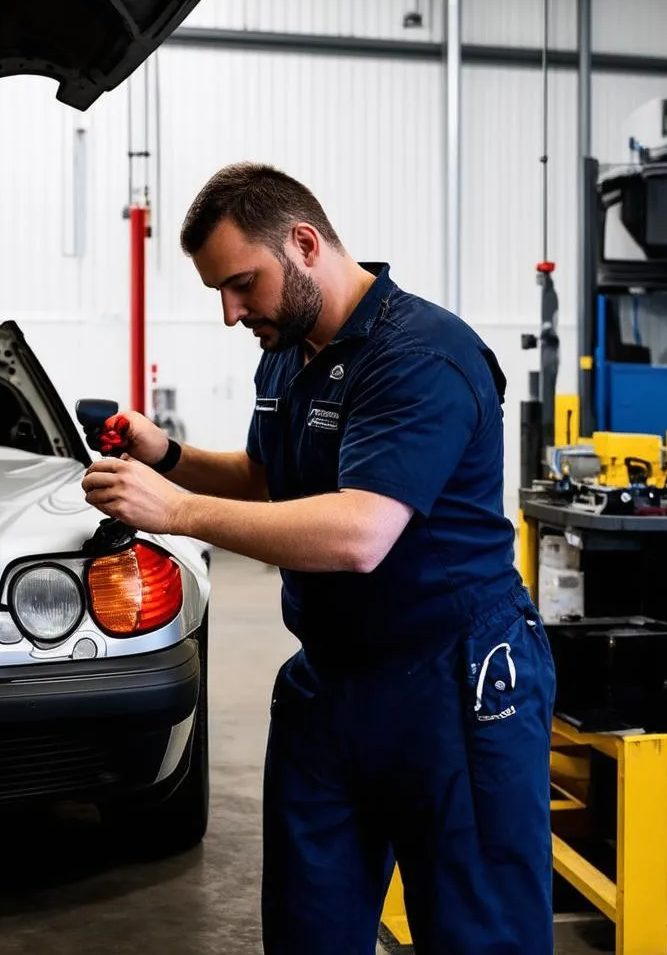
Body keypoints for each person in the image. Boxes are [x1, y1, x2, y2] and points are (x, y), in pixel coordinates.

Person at [81, 162, 556, 955]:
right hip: (333, 682)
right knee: (310, 929)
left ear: (303, 243)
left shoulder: (423, 356)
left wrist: (178, 513)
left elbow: (357, 533)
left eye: (242, 285)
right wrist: (168, 458)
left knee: (479, 935)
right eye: (220, 295)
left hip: (454, 683)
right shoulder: (289, 347)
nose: (234, 314)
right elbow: (272, 480)